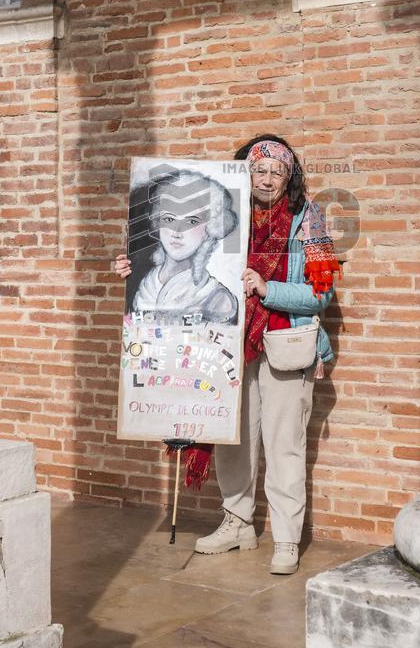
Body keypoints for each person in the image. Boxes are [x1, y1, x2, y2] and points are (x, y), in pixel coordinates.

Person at [114, 136, 339, 574]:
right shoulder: (225, 219)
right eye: (259, 170)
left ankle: (287, 540)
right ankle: (238, 523)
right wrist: (135, 266)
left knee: (284, 445)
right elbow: (177, 264)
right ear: (244, 174)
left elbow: (320, 293)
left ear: (289, 177)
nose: (267, 179)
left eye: (277, 171)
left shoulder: (307, 220)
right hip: (227, 345)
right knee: (233, 439)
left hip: (285, 344)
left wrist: (267, 289)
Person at [123, 167, 239, 324]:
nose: (177, 232)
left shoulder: (216, 298)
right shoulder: (145, 283)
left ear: (210, 228)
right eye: (169, 219)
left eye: (191, 221)